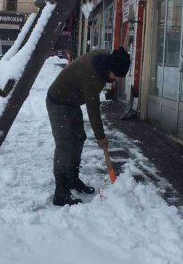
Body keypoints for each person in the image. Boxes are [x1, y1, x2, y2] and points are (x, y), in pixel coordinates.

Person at [46, 47, 131, 206]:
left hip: (71, 102)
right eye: (116, 76)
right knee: (65, 144)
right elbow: (93, 110)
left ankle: (72, 179)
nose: (117, 80)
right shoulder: (93, 79)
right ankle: (60, 191)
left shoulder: (104, 57)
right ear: (109, 69)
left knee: (79, 138)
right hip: (58, 101)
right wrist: (101, 137)